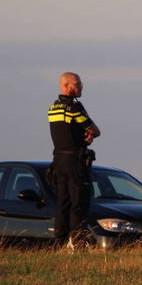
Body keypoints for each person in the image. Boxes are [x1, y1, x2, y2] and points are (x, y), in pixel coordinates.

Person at [47, 72, 100, 246]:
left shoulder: (53, 108)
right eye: (77, 84)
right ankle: (77, 242)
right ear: (66, 86)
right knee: (79, 202)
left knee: (63, 203)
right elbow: (94, 129)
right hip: (75, 161)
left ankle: (60, 243)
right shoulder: (75, 107)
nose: (81, 87)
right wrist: (90, 135)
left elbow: (66, 131)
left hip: (58, 160)